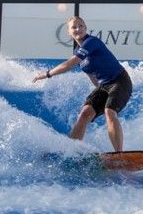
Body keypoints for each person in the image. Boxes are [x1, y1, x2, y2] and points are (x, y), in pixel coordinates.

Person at [32, 16, 132, 152]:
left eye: (81, 26)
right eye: (74, 27)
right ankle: (70, 151)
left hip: (120, 81)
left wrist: (46, 74)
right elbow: (92, 75)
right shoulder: (77, 52)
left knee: (109, 112)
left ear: (85, 28)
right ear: (69, 32)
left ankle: (119, 154)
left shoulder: (91, 42)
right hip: (104, 86)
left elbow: (69, 64)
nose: (78, 29)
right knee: (84, 114)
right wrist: (100, 96)